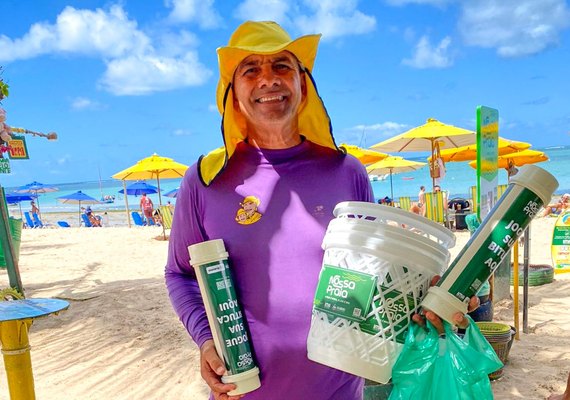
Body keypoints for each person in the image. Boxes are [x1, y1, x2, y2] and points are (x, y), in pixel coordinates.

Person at [164, 21, 475, 400]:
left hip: (338, 390)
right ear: (231, 92)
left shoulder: (346, 172)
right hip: (243, 392)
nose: (268, 80)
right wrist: (205, 340)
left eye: (282, 66)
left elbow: (378, 276)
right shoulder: (206, 179)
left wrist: (431, 293)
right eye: (251, 70)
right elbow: (179, 274)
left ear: (302, 83)